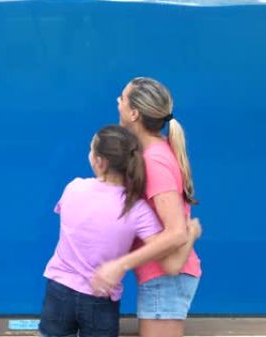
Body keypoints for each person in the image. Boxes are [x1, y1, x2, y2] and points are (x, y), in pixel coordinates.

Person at [39, 125, 200, 337]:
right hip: (101, 296)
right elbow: (169, 260)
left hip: (58, 289)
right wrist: (190, 234)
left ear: (99, 162)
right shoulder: (136, 208)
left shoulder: (73, 187)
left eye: (91, 150)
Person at [92, 77, 202, 337]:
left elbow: (176, 232)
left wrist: (121, 264)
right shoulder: (155, 151)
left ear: (134, 113)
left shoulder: (154, 161)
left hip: (166, 280)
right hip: (162, 277)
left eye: (122, 98)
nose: (117, 103)